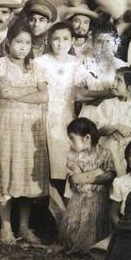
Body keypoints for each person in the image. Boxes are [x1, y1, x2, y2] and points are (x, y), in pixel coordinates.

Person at [0, 20, 49, 245]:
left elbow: (44, 97)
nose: (23, 47)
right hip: (8, 123)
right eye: (18, 42)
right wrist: (29, 91)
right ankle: (5, 227)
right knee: (7, 170)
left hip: (32, 126)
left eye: (27, 43)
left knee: (26, 175)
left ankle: (24, 226)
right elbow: (4, 90)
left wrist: (15, 93)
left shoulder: (37, 67)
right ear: (8, 42)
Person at [35, 21, 87, 188]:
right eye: (56, 39)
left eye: (65, 39)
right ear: (49, 40)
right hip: (43, 116)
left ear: (72, 41)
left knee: (64, 166)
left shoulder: (77, 63)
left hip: (67, 117)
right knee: (42, 166)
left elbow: (82, 91)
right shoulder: (40, 62)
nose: (60, 43)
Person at [59, 118, 115, 254]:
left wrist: (88, 177)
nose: (70, 142)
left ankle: (94, 246)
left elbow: (110, 175)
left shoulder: (105, 153)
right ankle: (80, 245)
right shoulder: (73, 156)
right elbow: (75, 179)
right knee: (73, 229)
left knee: (96, 221)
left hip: (100, 198)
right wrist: (98, 174)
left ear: (87, 138)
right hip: (80, 197)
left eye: (72, 138)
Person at [85, 68, 131, 176]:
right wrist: (116, 127)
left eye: (119, 81)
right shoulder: (107, 104)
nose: (113, 84)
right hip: (107, 151)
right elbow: (98, 129)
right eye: (114, 80)